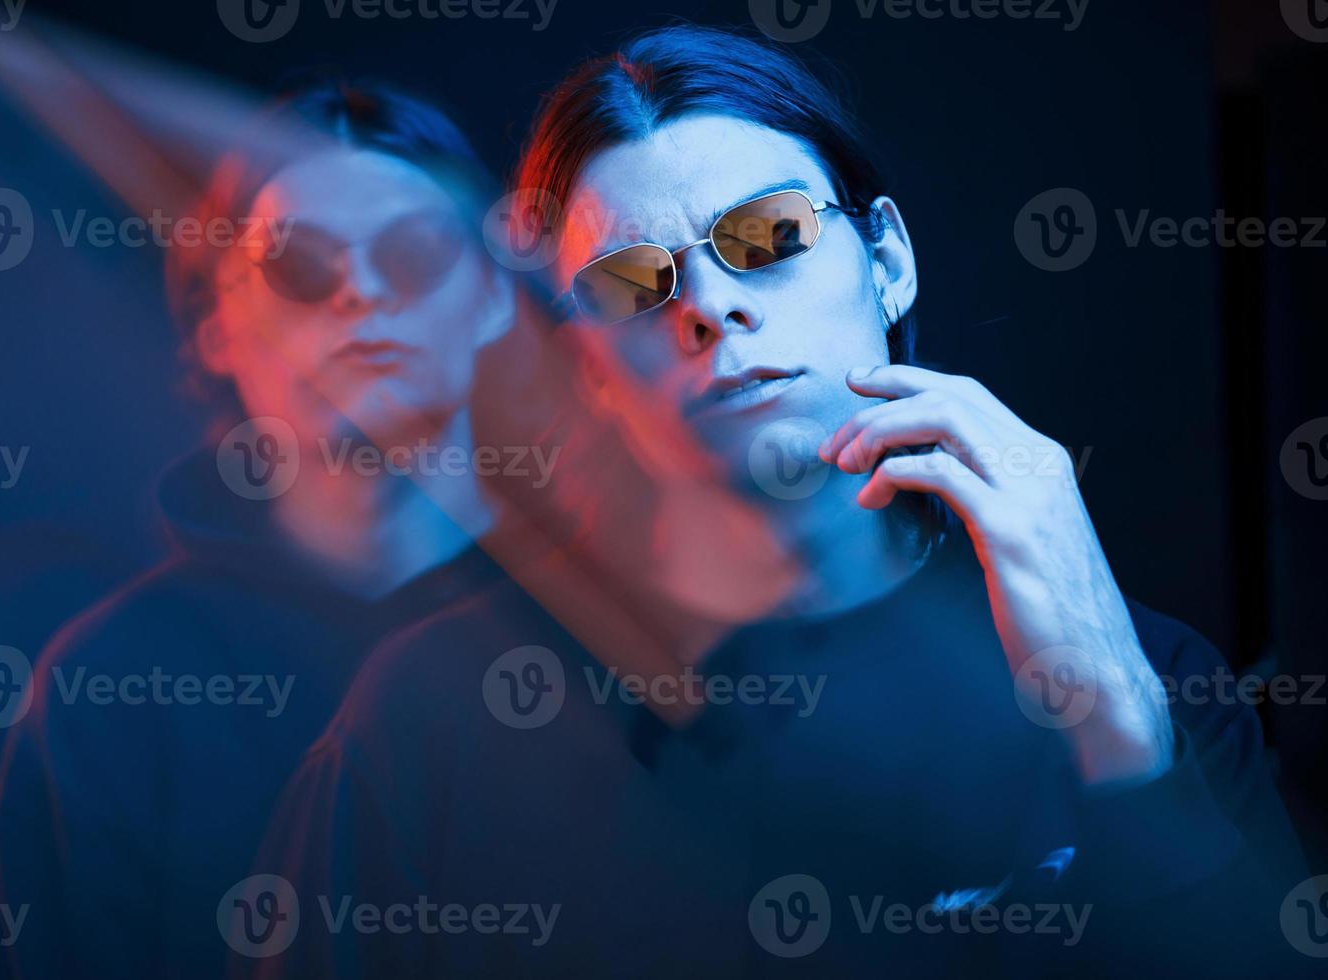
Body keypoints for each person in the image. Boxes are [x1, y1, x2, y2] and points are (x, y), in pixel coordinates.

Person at [253, 26, 1313, 978]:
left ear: (887, 259)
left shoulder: (1148, 679)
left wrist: (1121, 736)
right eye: (634, 283)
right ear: (585, 365)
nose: (712, 305)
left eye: (768, 236)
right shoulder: (433, 718)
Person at [0, 77, 515, 980]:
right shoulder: (108, 685)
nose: (361, 295)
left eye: (416, 252)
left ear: (494, 296)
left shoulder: (610, 642)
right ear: (216, 321)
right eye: (300, 264)